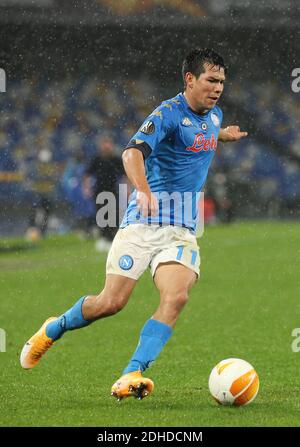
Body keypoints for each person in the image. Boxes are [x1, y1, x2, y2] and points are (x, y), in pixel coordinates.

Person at [20, 48, 247, 401]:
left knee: (177, 296)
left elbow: (198, 136)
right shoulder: (168, 113)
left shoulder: (214, 116)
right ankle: (55, 327)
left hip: (182, 228)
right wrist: (142, 191)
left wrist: (223, 136)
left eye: (222, 82)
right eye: (211, 80)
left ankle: (133, 372)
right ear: (189, 79)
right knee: (111, 303)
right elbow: (132, 152)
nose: (218, 88)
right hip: (143, 222)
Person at [83, 135, 125, 250]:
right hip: (99, 191)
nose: (106, 147)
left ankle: (111, 238)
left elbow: (125, 175)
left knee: (112, 215)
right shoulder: (96, 159)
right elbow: (87, 174)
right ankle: (103, 237)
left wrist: (128, 189)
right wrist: (86, 188)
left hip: (112, 190)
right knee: (101, 214)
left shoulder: (115, 159)